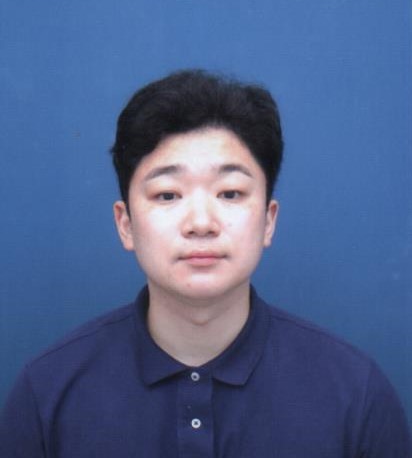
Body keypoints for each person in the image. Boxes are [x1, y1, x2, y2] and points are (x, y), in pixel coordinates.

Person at [0, 70, 410, 457]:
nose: (201, 223)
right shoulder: (47, 392)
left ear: (268, 221)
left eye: (230, 193)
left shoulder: (356, 394)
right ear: (126, 225)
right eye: (167, 195)